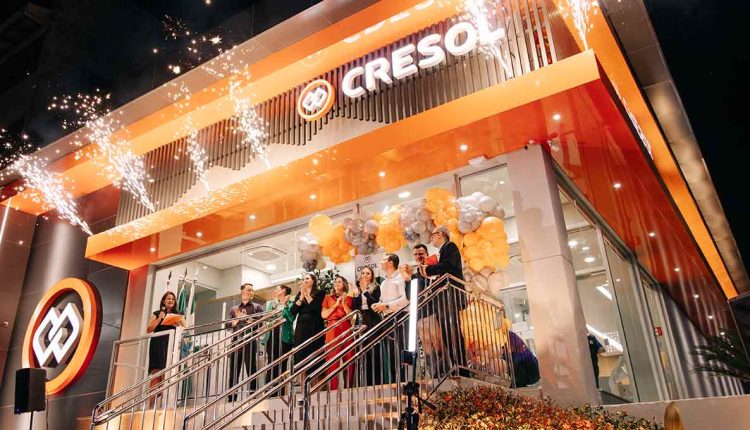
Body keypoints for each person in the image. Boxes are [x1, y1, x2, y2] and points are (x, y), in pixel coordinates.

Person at [420, 226, 470, 376]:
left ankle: (461, 368)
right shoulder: (443, 251)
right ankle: (456, 367)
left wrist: (429, 269)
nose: (432, 238)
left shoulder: (450, 246)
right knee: (448, 333)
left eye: (433, 235)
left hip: (450, 295)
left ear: (440, 234)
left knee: (453, 332)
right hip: (444, 297)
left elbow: (448, 266)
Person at [372, 254, 408, 383]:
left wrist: (387, 305)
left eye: (383, 260)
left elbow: (406, 299)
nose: (380, 262)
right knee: (391, 353)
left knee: (400, 351)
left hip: (400, 317)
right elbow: (383, 300)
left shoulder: (400, 278)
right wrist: (379, 304)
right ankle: (394, 382)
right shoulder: (384, 282)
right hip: (387, 319)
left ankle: (403, 382)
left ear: (391, 263)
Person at [227, 283, 264, 401]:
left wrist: (249, 319)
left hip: (250, 340)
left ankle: (253, 397)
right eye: (248, 290)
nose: (251, 292)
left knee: (251, 369)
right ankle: (231, 399)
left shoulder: (258, 307)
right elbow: (227, 325)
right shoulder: (234, 308)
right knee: (234, 371)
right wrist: (237, 319)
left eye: (252, 290)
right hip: (236, 341)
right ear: (241, 292)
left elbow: (260, 323)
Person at [290, 272, 326, 387]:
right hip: (301, 329)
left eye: (307, 279)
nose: (305, 281)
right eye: (304, 279)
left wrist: (306, 293)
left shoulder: (320, 292)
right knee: (300, 357)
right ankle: (303, 389)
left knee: (314, 357)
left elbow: (316, 307)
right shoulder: (299, 294)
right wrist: (301, 297)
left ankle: (315, 387)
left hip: (315, 327)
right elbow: (293, 311)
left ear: (313, 281)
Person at [146, 291, 185, 391]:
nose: (171, 300)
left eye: (173, 299)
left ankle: (164, 400)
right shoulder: (157, 313)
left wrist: (178, 325)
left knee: (167, 374)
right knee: (156, 374)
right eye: (168, 298)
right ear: (163, 301)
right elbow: (149, 329)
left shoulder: (179, 314)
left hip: (171, 345)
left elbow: (186, 330)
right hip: (158, 345)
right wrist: (159, 319)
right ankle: (151, 401)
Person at [321, 275, 355, 390]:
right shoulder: (328, 298)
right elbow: (324, 315)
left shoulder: (349, 298)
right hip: (332, 326)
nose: (336, 283)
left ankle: (348, 388)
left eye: (339, 282)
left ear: (344, 284)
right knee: (332, 359)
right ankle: (333, 390)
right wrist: (336, 304)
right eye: (335, 282)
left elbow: (351, 316)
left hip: (346, 325)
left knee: (349, 358)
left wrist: (344, 303)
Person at [351, 266, 382, 385]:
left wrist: (365, 292)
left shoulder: (376, 287)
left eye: (368, 273)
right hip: (361, 320)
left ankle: (377, 382)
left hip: (373, 319)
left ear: (372, 276)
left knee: (375, 352)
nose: (365, 275)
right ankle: (365, 383)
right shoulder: (357, 289)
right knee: (363, 352)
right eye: (363, 273)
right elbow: (355, 307)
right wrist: (356, 294)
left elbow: (375, 303)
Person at [260, 285, 295, 390]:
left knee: (282, 364)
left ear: (284, 290)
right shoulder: (271, 303)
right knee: (271, 362)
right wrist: (275, 303)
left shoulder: (290, 303)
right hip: (272, 335)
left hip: (285, 337)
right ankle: (269, 391)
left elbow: (290, 318)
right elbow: (267, 318)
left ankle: (280, 391)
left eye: (277, 289)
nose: (275, 290)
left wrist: (284, 305)